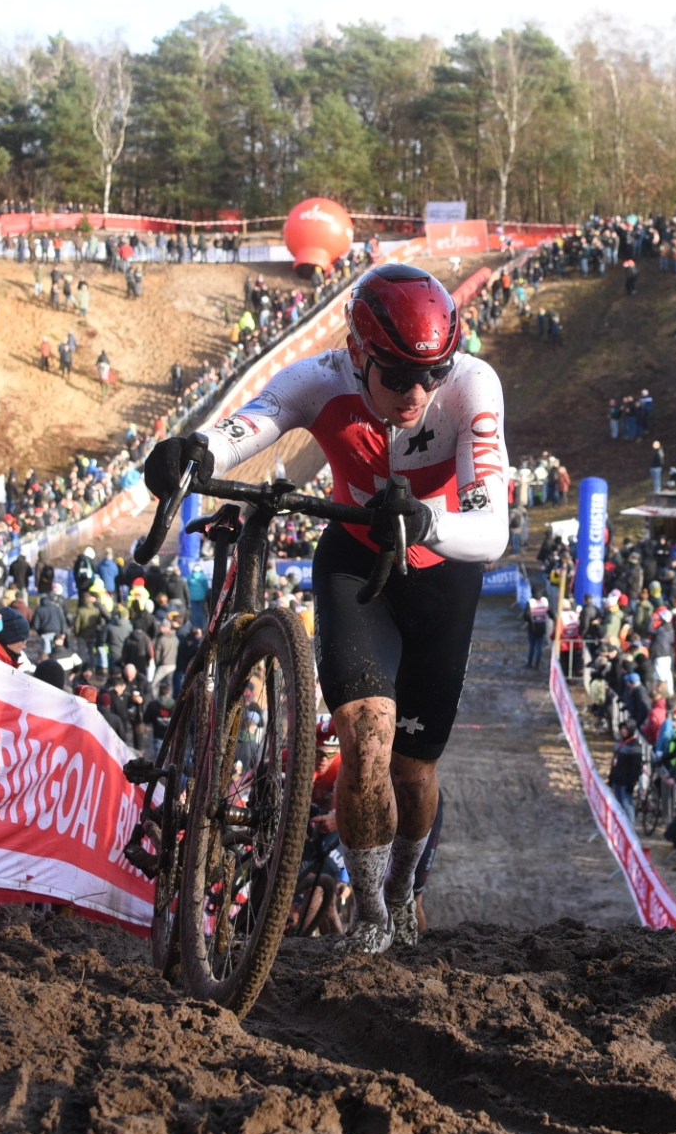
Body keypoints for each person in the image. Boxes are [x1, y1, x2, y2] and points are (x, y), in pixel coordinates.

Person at [143, 265, 509, 955]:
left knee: (414, 773)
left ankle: (403, 888)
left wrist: (428, 522)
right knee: (364, 738)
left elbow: (493, 528)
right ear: (357, 353)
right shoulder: (321, 379)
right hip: (356, 563)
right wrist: (195, 452)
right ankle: (369, 914)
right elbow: (253, 422)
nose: (418, 392)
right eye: (398, 375)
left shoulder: (471, 386)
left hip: (442, 574)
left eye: (433, 373)